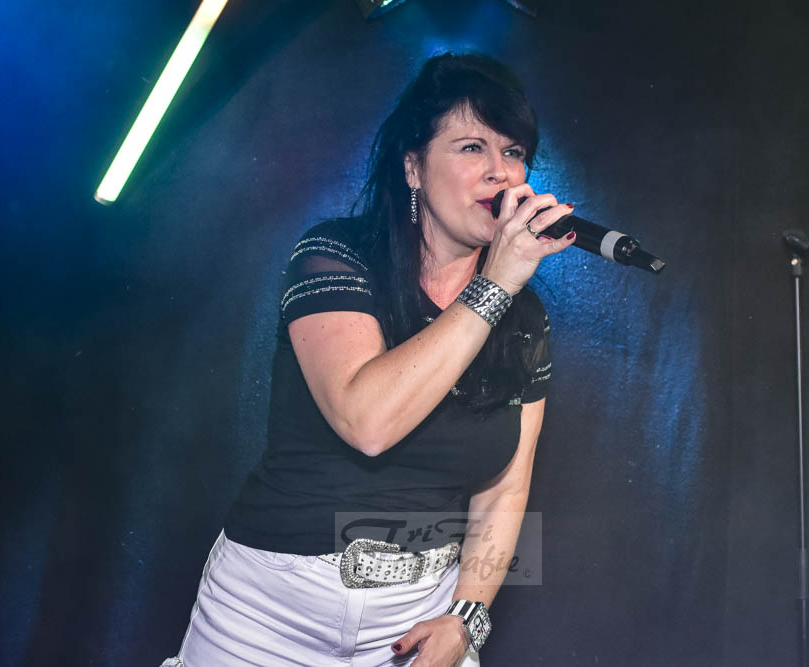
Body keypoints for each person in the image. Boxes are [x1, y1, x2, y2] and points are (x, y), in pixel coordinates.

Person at [163, 52, 577, 667]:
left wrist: (468, 618)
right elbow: (368, 422)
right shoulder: (336, 253)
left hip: (418, 618)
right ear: (413, 167)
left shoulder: (524, 316)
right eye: (472, 147)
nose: (500, 172)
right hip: (268, 618)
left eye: (512, 152)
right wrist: (494, 287)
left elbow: (505, 487)